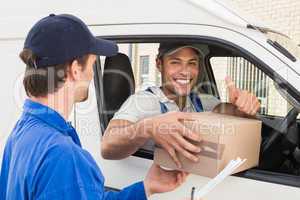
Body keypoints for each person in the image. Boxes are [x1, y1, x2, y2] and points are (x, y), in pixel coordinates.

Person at [0, 14, 188, 200]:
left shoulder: (23, 132)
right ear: (75, 70)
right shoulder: (62, 156)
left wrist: (146, 187)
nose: (92, 74)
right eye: (92, 64)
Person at [101, 43, 261, 168]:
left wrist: (245, 108)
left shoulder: (202, 101)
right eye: (175, 62)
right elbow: (107, 145)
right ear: (159, 64)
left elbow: (232, 114)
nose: (185, 72)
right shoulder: (143, 101)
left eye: (192, 63)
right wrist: (149, 128)